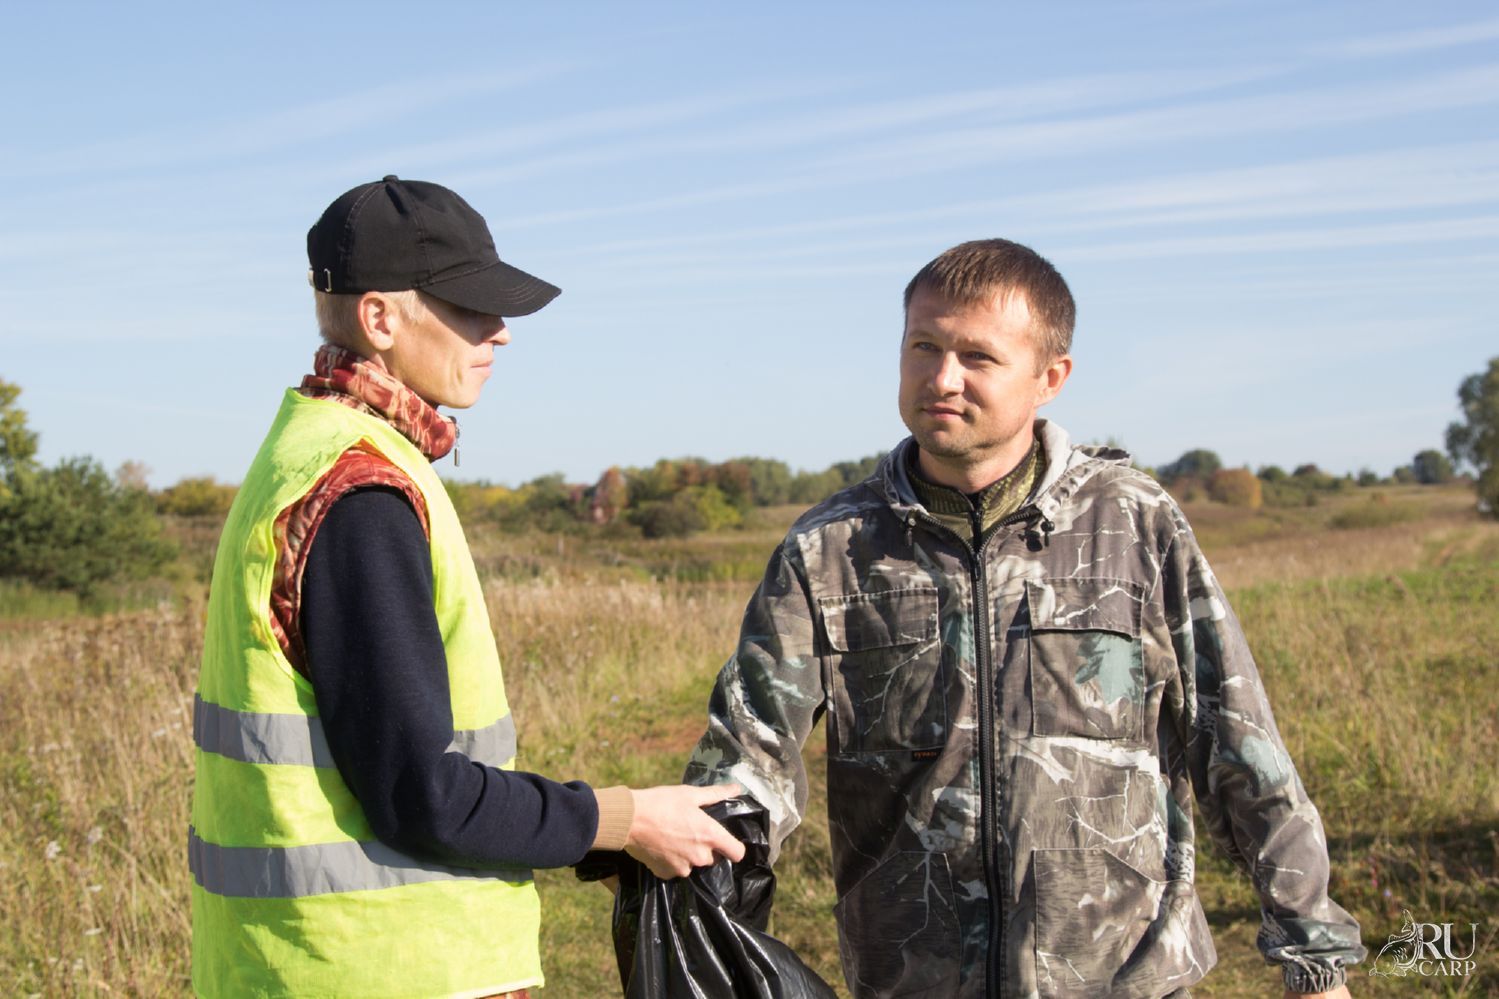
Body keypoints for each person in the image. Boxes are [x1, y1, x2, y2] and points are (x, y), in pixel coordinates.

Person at [684, 239, 1365, 998]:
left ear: (1050, 378)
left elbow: (1236, 740)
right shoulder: (830, 549)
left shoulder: (1133, 524)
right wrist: (700, 920)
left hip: (1123, 979)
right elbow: (747, 759)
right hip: (913, 982)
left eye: (978, 356)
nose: (943, 378)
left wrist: (1315, 960)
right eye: (923, 346)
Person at [189, 176, 743, 998]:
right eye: (471, 306)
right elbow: (423, 794)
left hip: (302, 965)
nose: (500, 332)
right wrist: (624, 821)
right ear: (380, 318)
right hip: (388, 971)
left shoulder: (306, 450)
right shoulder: (362, 493)